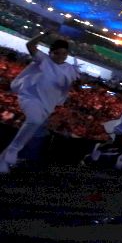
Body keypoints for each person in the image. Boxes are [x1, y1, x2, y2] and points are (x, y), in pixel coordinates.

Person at [1, 33, 80, 174]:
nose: (61, 56)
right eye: (57, 53)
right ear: (51, 52)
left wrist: (76, 84)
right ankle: (13, 150)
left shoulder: (70, 69)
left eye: (64, 53)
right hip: (30, 96)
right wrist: (45, 34)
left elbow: (71, 85)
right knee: (34, 120)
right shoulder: (43, 59)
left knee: (32, 128)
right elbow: (30, 45)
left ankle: (3, 159)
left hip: (48, 104)